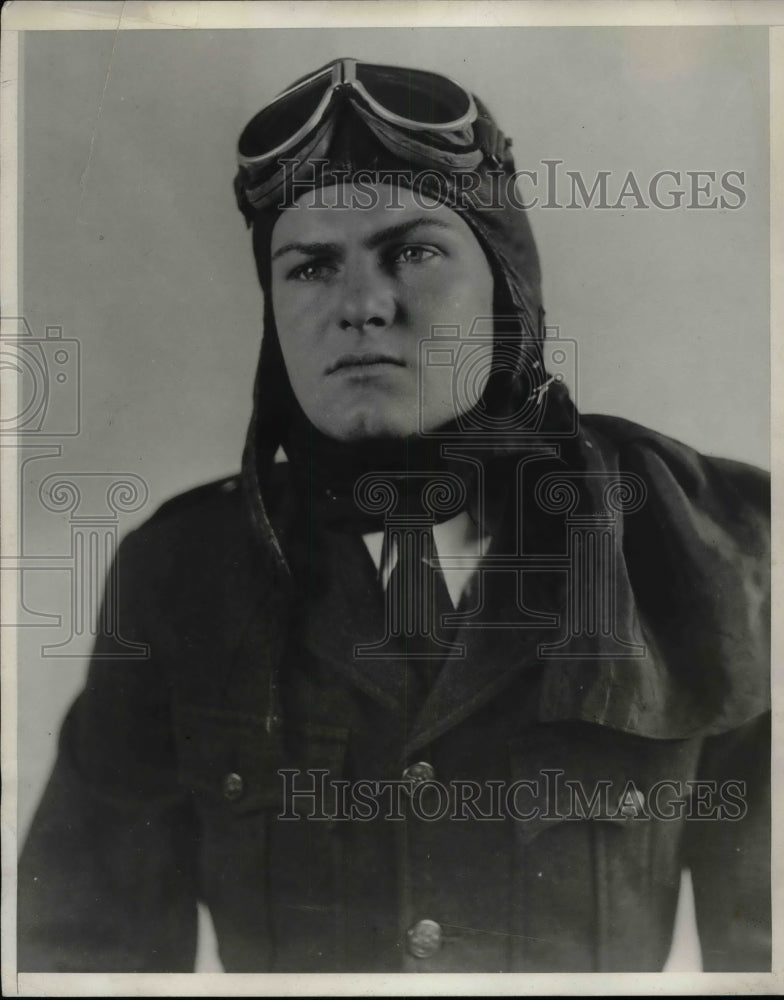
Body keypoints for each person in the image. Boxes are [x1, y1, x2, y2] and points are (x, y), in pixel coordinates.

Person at [18, 58, 770, 973]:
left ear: (508, 293)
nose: (363, 306)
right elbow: (81, 953)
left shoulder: (705, 544)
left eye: (413, 251)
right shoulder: (183, 574)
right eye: (311, 267)